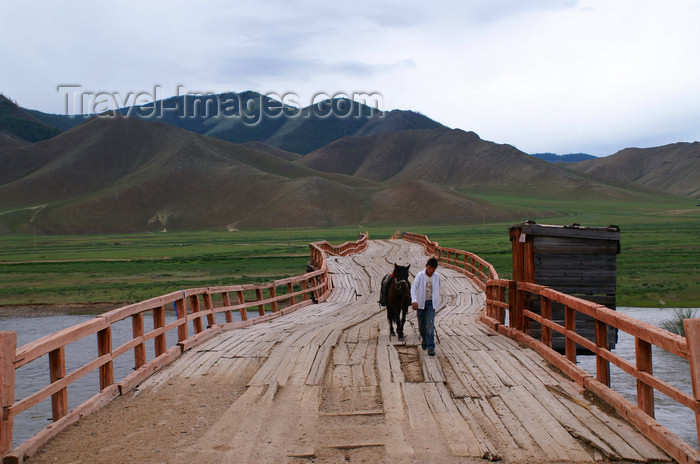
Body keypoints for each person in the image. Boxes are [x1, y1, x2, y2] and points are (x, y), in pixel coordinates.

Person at [411, 257, 441, 356]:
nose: (431, 270)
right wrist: (414, 301)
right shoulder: (420, 275)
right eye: (430, 268)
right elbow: (413, 288)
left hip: (431, 304)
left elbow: (437, 289)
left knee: (430, 326)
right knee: (422, 327)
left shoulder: (436, 277)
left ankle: (431, 347)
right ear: (426, 266)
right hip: (420, 304)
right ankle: (424, 339)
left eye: (433, 269)